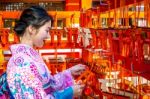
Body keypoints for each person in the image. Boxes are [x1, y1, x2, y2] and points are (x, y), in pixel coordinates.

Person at [6, 6, 86, 99]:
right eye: (47, 30)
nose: (48, 36)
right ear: (31, 29)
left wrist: (69, 72)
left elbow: (48, 84)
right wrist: (69, 93)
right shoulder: (20, 63)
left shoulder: (30, 57)